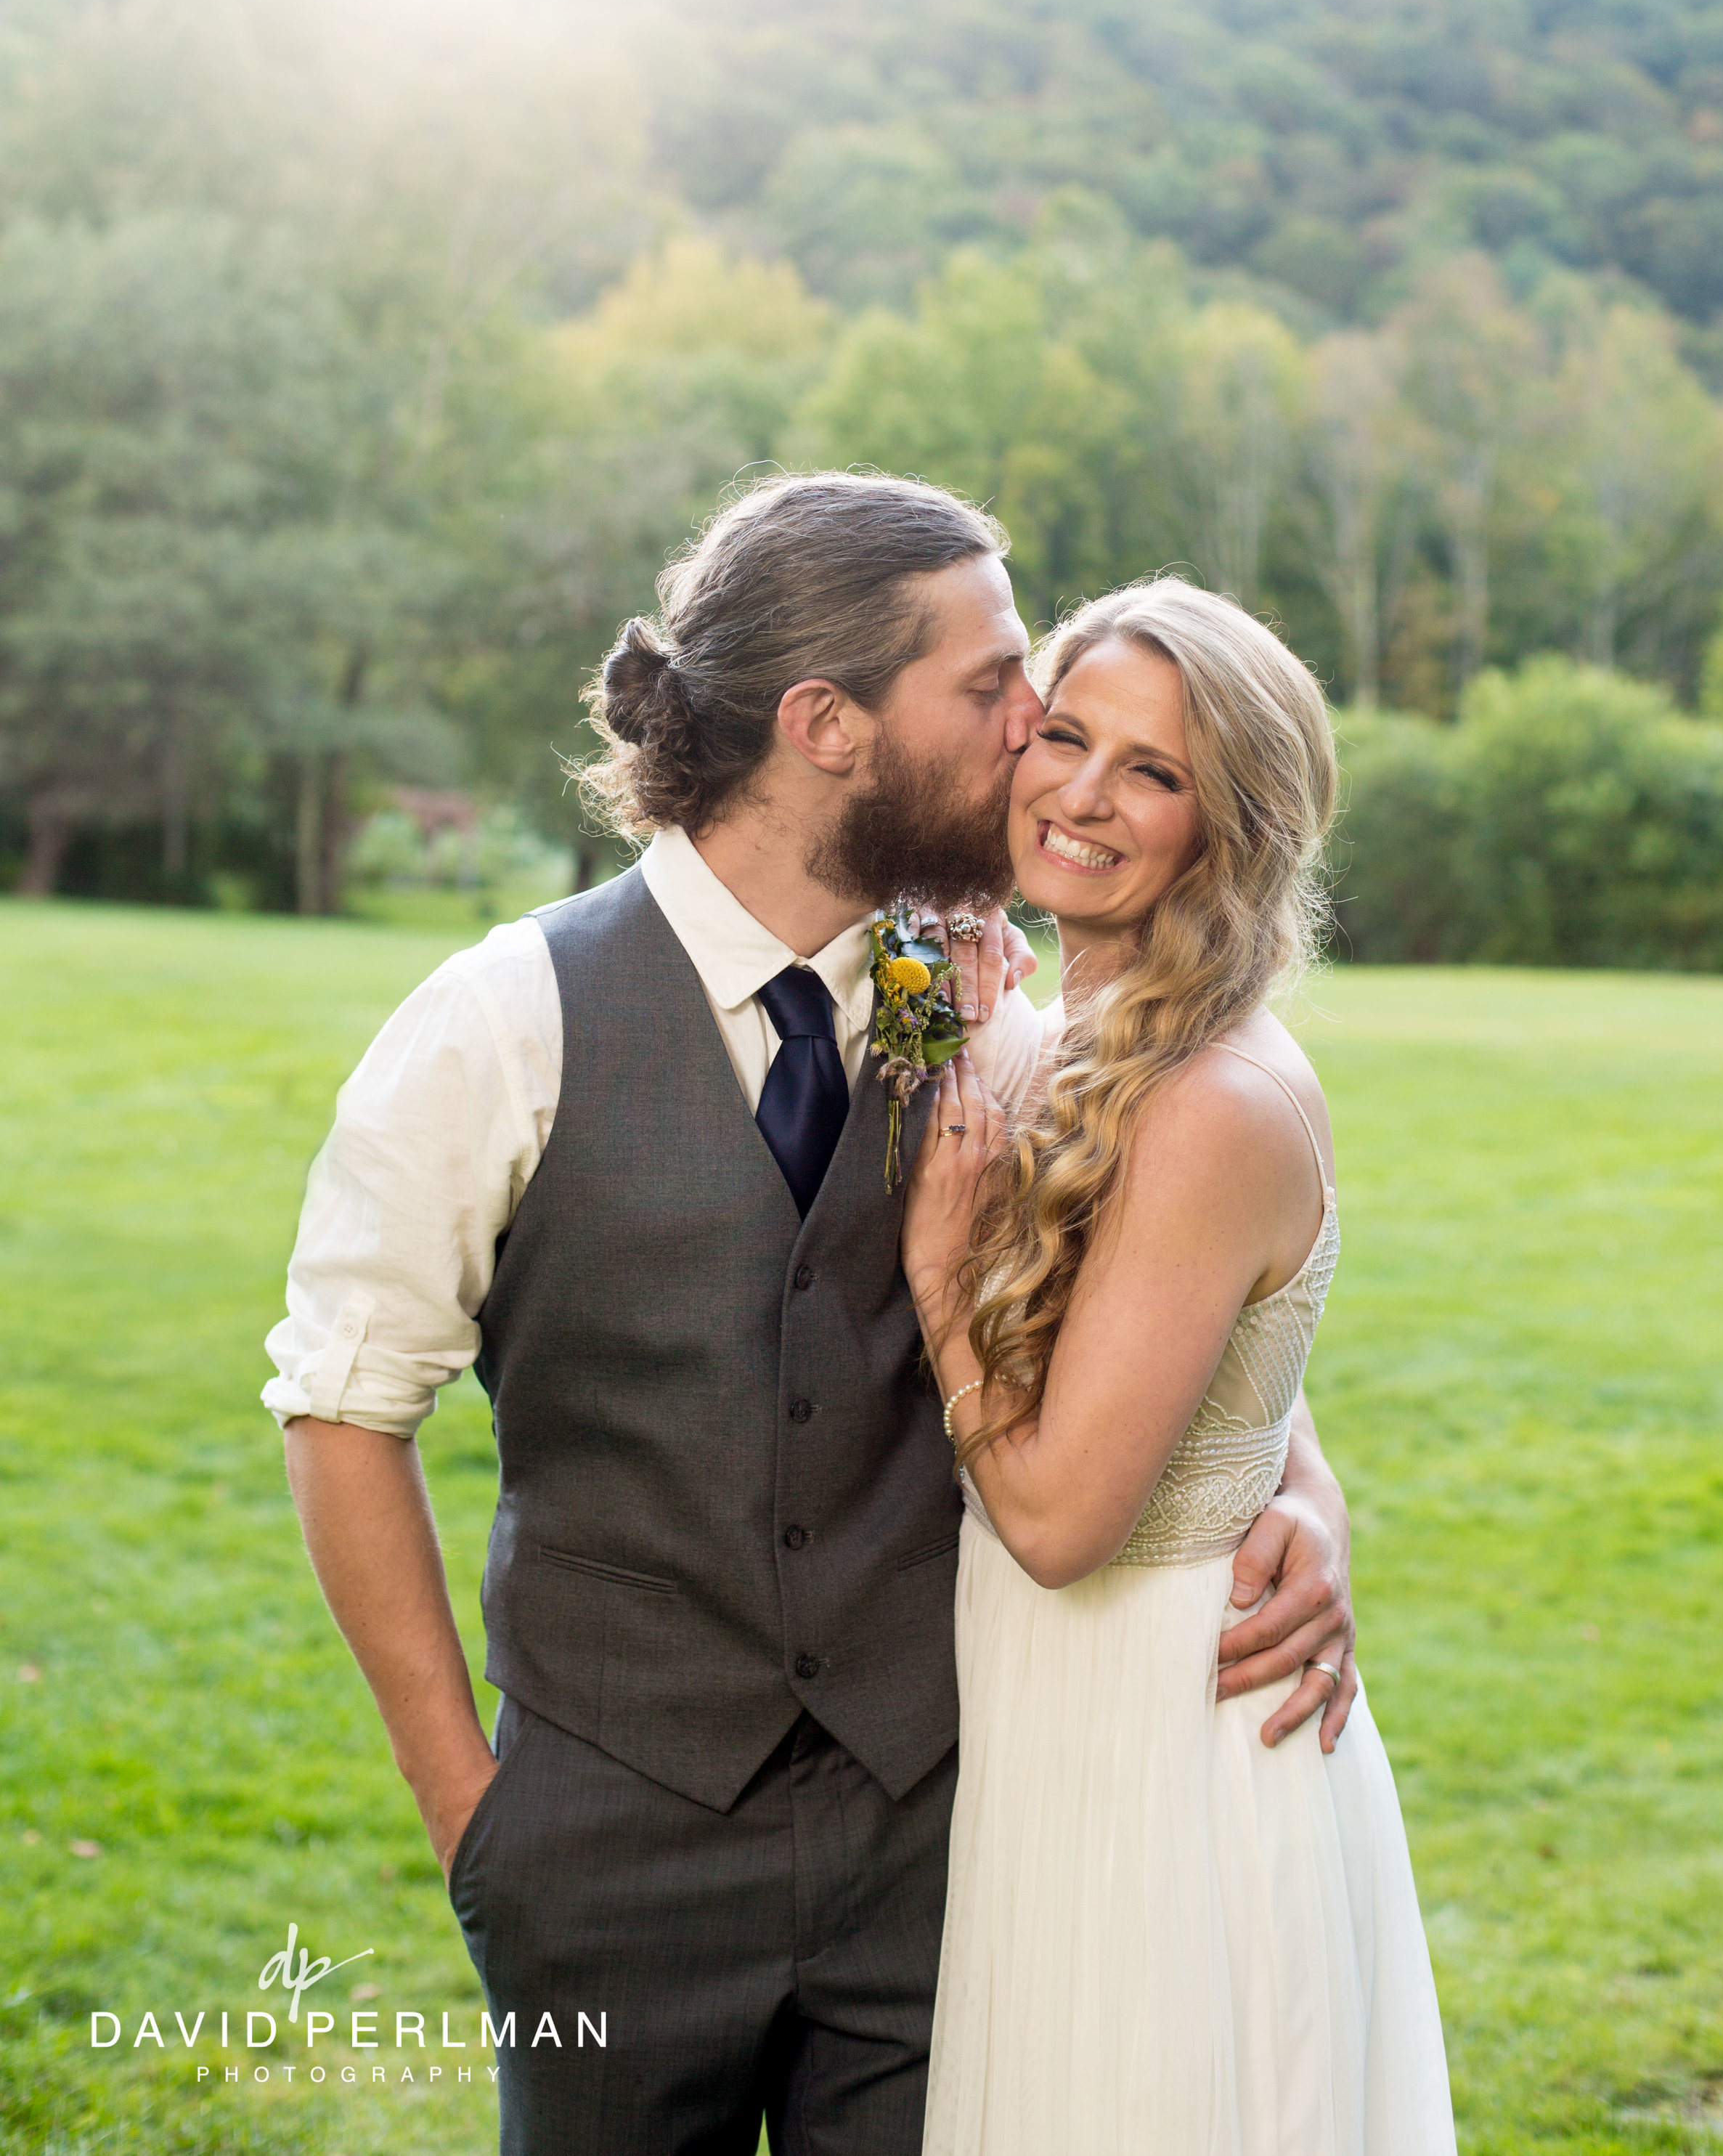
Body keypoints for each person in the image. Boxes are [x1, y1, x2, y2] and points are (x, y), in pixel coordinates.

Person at [262, 473, 1360, 2156]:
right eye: (997, 692)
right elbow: (343, 1408)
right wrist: (471, 1816)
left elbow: (1152, 1291)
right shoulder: (501, 1020)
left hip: (948, 1835)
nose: (1031, 736)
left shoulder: (972, 998)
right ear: (826, 722)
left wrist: (1287, 1478)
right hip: (609, 1847)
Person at [902, 577, 1455, 2156]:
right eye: (1064, 736)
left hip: (1156, 1720)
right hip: (1048, 1696)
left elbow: (1065, 1522)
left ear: (1233, 822)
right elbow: (1208, 1363)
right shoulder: (1040, 1020)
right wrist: (1306, 1478)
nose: (1081, 792)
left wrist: (939, 1268)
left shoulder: (1210, 1099)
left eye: (1150, 771)